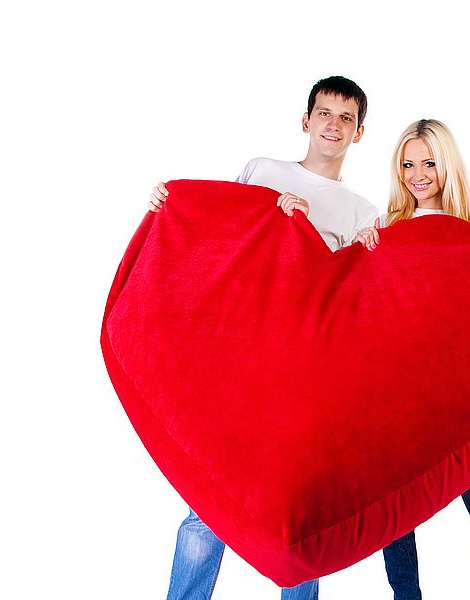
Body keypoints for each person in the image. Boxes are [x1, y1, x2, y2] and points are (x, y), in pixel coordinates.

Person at [148, 75, 377, 600]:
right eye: (325, 113)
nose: (333, 126)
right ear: (306, 120)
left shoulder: (362, 211)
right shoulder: (262, 171)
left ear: (359, 133)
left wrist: (356, 248)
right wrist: (171, 205)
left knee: (296, 521)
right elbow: (217, 236)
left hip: (303, 377)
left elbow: (350, 301)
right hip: (238, 361)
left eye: (346, 119)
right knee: (208, 507)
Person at [353, 118, 470, 600]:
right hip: (399, 400)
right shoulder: (386, 229)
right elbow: (363, 309)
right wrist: (366, 250)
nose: (417, 174)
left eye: (429, 162)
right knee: (396, 520)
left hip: (458, 402)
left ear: (447, 166)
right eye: (407, 164)